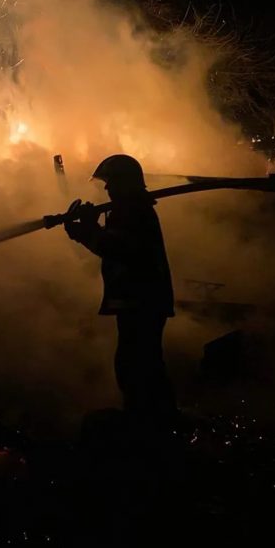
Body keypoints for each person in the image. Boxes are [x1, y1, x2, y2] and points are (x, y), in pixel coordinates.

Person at [64, 154, 178, 434]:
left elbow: (118, 249)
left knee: (136, 365)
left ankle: (149, 425)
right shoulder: (130, 210)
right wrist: (85, 231)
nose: (107, 190)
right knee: (140, 361)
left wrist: (88, 228)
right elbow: (113, 245)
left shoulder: (132, 212)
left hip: (141, 300)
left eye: (111, 183)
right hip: (140, 300)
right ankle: (153, 420)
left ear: (125, 183)